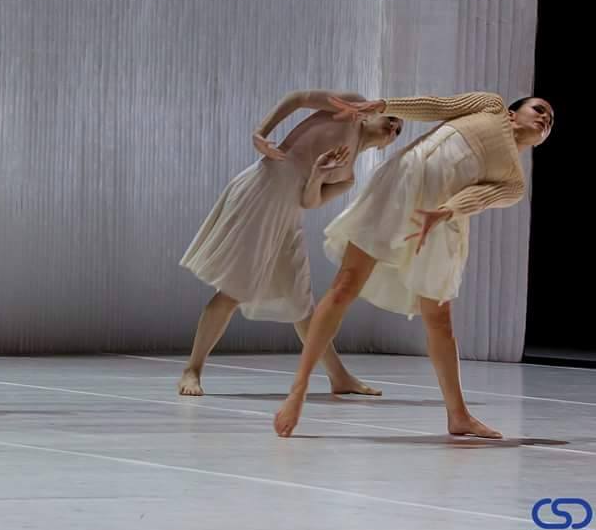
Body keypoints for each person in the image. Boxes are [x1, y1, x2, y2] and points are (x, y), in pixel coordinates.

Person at [273, 93, 554, 439]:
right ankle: (298, 390)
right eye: (539, 109)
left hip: (437, 217)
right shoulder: (491, 106)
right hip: (403, 183)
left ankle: (459, 416)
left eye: (551, 121)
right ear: (513, 113)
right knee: (346, 284)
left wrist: (445, 212)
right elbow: (437, 107)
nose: (545, 118)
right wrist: (384, 106)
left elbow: (476, 198)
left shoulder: (514, 182)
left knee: (439, 317)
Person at [178, 90, 402, 397]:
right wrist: (260, 133)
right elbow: (299, 99)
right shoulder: (350, 109)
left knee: (300, 300)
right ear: (372, 114)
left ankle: (339, 376)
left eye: (398, 131)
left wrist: (318, 175)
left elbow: (309, 202)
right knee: (234, 287)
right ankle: (192, 370)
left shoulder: (348, 177)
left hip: (289, 214)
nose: (393, 128)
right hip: (264, 189)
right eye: (392, 119)